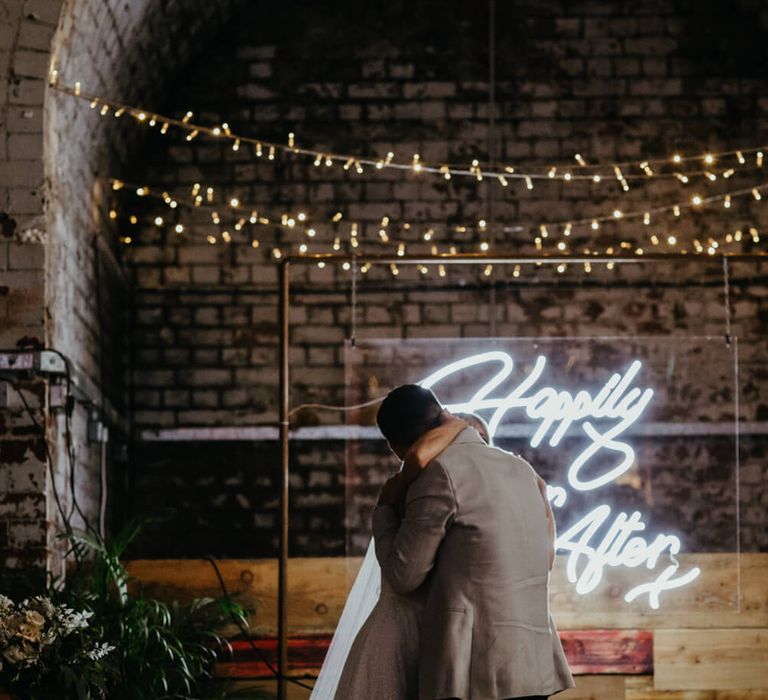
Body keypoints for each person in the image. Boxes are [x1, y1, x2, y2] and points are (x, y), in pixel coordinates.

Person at [373, 385, 573, 700]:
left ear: (397, 448)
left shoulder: (440, 474)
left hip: (474, 670)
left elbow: (403, 575)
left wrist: (384, 513)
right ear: (442, 414)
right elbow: (544, 560)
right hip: (534, 664)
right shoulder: (522, 470)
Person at [330, 409, 470, 700]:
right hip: (405, 635)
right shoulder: (422, 486)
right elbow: (404, 577)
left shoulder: (431, 484)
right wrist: (457, 424)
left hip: (432, 634)